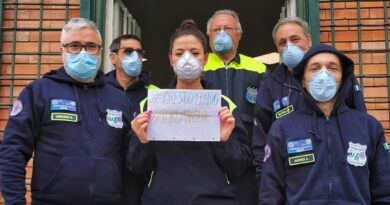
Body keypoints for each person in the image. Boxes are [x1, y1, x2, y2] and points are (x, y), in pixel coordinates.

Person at [0, 18, 133, 205]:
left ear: (100, 52)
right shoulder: (39, 92)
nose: (83, 52)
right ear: (62, 50)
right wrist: (15, 201)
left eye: (91, 46)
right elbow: (13, 152)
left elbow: (131, 162)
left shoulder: (118, 99)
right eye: (74, 46)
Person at [127, 19, 251, 205]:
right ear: (170, 59)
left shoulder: (223, 106)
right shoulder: (150, 105)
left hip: (216, 200)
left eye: (194, 53)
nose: (187, 59)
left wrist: (224, 142)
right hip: (162, 200)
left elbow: (239, 167)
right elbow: (136, 167)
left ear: (206, 58)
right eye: (179, 53)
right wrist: (142, 142)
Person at [260, 44, 390, 204]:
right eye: (314, 68)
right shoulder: (282, 128)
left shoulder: (369, 127)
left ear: (342, 78)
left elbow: (384, 192)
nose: (323, 74)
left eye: (332, 68)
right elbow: (270, 194)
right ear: (303, 80)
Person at [252, 17, 366, 185]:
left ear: (309, 40)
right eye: (282, 42)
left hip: (340, 174)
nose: (289, 46)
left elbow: (360, 123)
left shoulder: (335, 78)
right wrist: (265, 179)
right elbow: (261, 136)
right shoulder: (270, 85)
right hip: (292, 179)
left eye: (295, 39)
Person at [203, 9, 267, 205]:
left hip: (246, 164)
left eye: (227, 28)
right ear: (209, 36)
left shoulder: (258, 68)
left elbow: (266, 118)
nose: (221, 33)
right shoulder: (199, 66)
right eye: (216, 29)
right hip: (207, 164)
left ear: (239, 34)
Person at [107, 34, 158, 118]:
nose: (135, 56)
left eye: (139, 52)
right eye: (128, 51)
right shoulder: (100, 90)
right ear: (113, 58)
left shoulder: (156, 94)